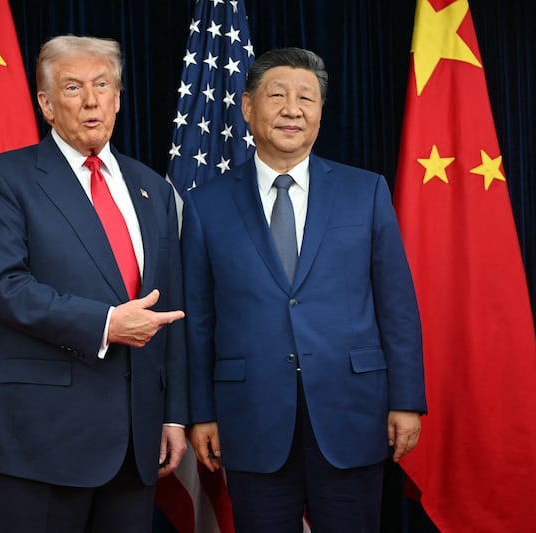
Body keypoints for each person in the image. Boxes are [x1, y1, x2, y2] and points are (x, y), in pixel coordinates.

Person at [181, 47, 427, 533]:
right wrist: (200, 412)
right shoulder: (206, 205)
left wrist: (406, 399)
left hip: (352, 410)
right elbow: (199, 319)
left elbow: (396, 305)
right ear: (248, 108)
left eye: (306, 99)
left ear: (319, 112)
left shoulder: (366, 191)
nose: (292, 109)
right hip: (249, 417)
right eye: (277, 95)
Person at [0, 35, 187, 533]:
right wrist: (106, 324)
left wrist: (172, 415)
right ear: (45, 103)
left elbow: (168, 307)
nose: (91, 100)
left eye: (103, 85)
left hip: (135, 440)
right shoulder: (5, 178)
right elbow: (3, 286)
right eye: (72, 87)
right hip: (43, 437)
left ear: (117, 97)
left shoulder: (152, 187)